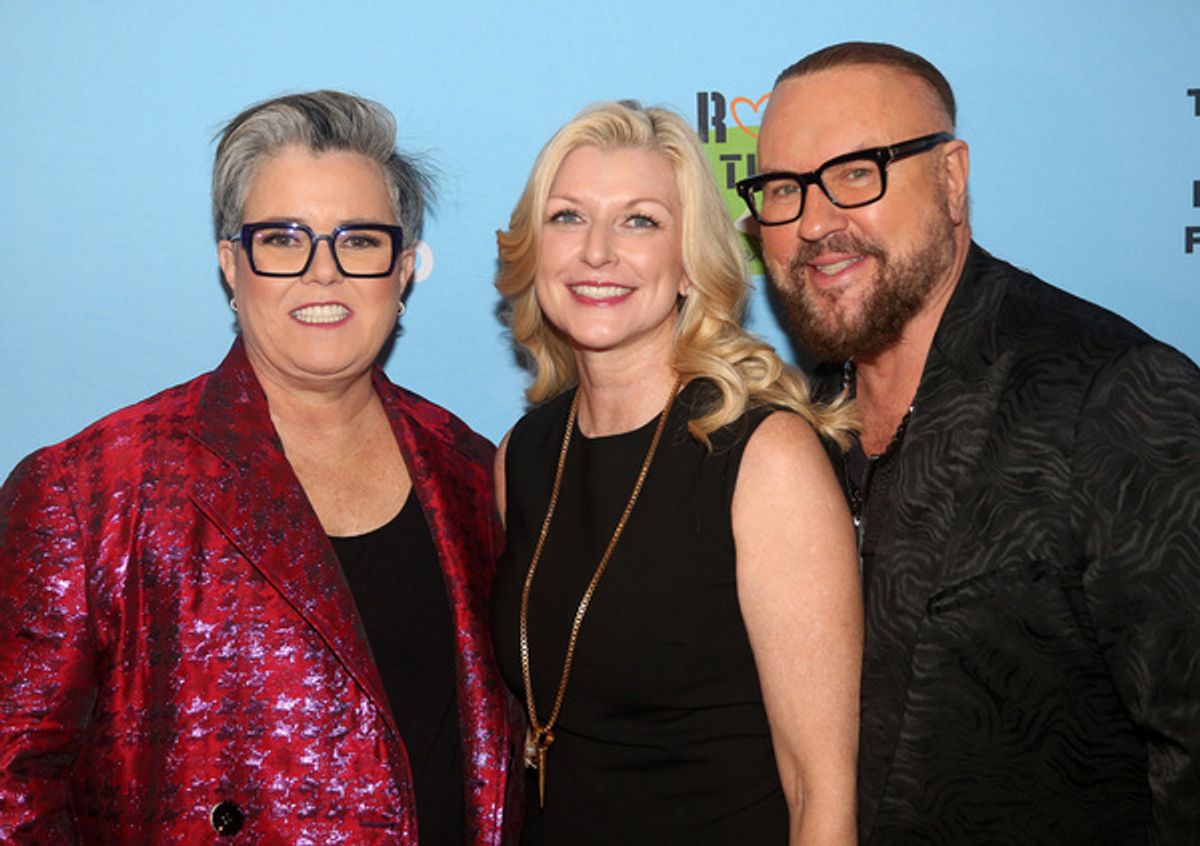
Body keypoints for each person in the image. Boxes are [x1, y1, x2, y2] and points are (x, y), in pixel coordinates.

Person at [0, 90, 521, 845]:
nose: (323, 273)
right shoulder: (91, 491)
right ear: (230, 266)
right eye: (283, 239)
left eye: (360, 240)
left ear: (402, 270)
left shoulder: (476, 475)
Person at [738, 41, 1200, 843]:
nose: (815, 222)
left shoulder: (1113, 394)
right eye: (784, 188)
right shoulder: (792, 430)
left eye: (856, 171)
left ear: (951, 179)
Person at [490, 100, 862, 845]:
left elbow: (820, 792)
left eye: (640, 221)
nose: (598, 252)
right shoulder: (524, 455)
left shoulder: (763, 457)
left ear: (692, 263)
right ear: (535, 252)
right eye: (568, 217)